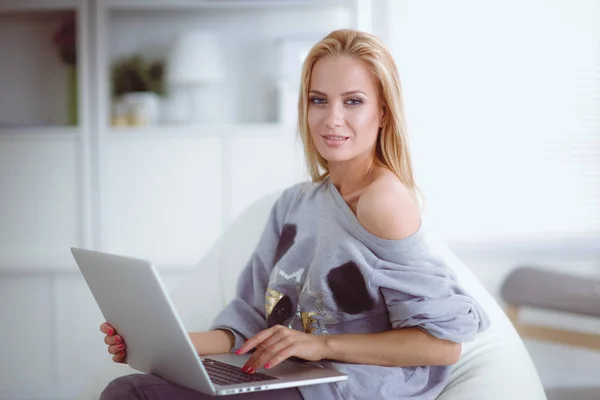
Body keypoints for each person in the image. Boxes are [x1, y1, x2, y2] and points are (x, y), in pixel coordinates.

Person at [99, 29, 490, 400]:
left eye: (353, 101)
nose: (332, 118)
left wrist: (320, 345)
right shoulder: (294, 204)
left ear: (383, 113)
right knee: (131, 389)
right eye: (319, 100)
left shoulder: (382, 202)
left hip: (351, 388)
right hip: (287, 376)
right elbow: (250, 321)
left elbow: (443, 345)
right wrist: (162, 343)